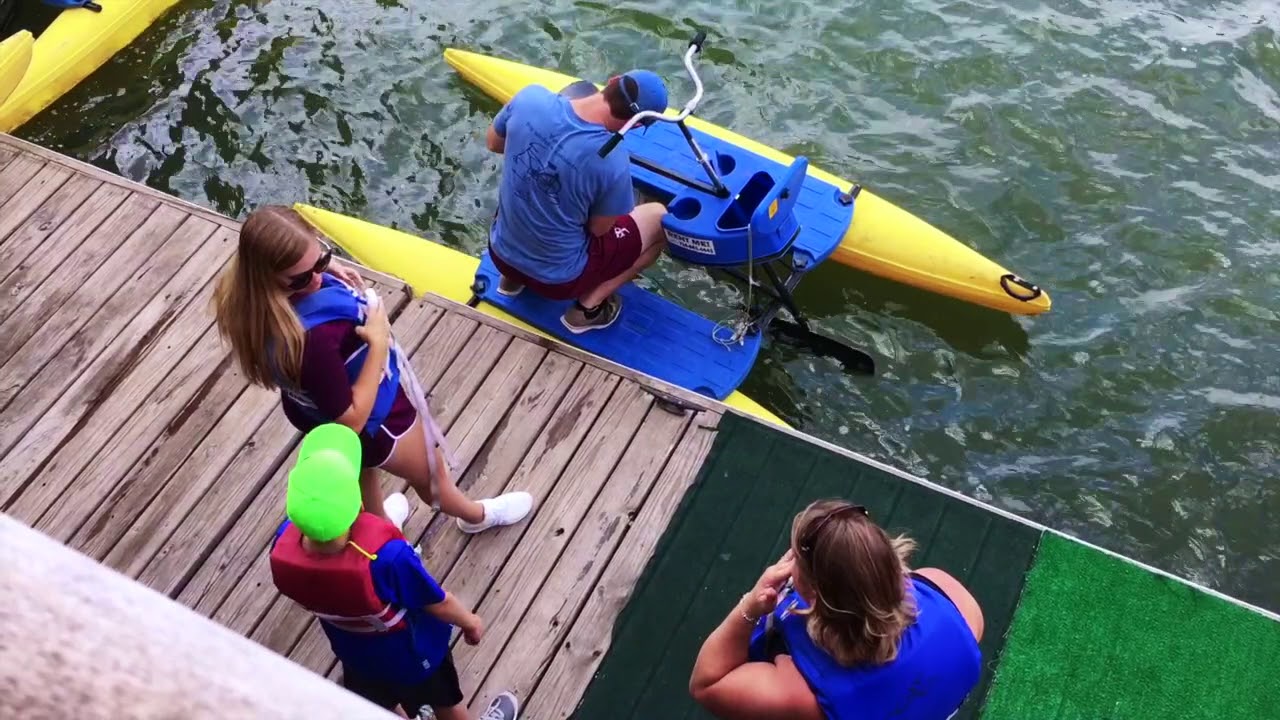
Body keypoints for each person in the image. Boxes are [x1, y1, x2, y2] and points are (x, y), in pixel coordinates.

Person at [213, 205, 531, 533]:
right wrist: (377, 344)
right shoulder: (313, 342)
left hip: (315, 413)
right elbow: (349, 421)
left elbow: (305, 273)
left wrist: (327, 268)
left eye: (321, 259)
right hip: (375, 423)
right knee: (432, 475)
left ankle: (381, 529)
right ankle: (474, 517)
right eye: (302, 278)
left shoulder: (249, 300)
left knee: (363, 471)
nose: (318, 279)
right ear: (270, 278)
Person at [269, 423, 520, 720]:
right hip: (414, 657)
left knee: (377, 702)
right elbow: (438, 602)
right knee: (446, 703)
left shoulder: (282, 545)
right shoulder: (388, 558)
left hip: (355, 654)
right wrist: (471, 621)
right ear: (359, 503)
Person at [689, 499, 984, 720]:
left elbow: (707, 683)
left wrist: (751, 606)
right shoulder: (952, 598)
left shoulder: (799, 696)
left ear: (815, 597)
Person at [485, 68, 671, 333]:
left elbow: (493, 143)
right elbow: (599, 229)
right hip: (559, 282)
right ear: (638, 123)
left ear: (611, 81)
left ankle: (511, 282)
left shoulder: (530, 98)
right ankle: (587, 310)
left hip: (500, 253)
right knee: (659, 218)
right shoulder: (613, 159)